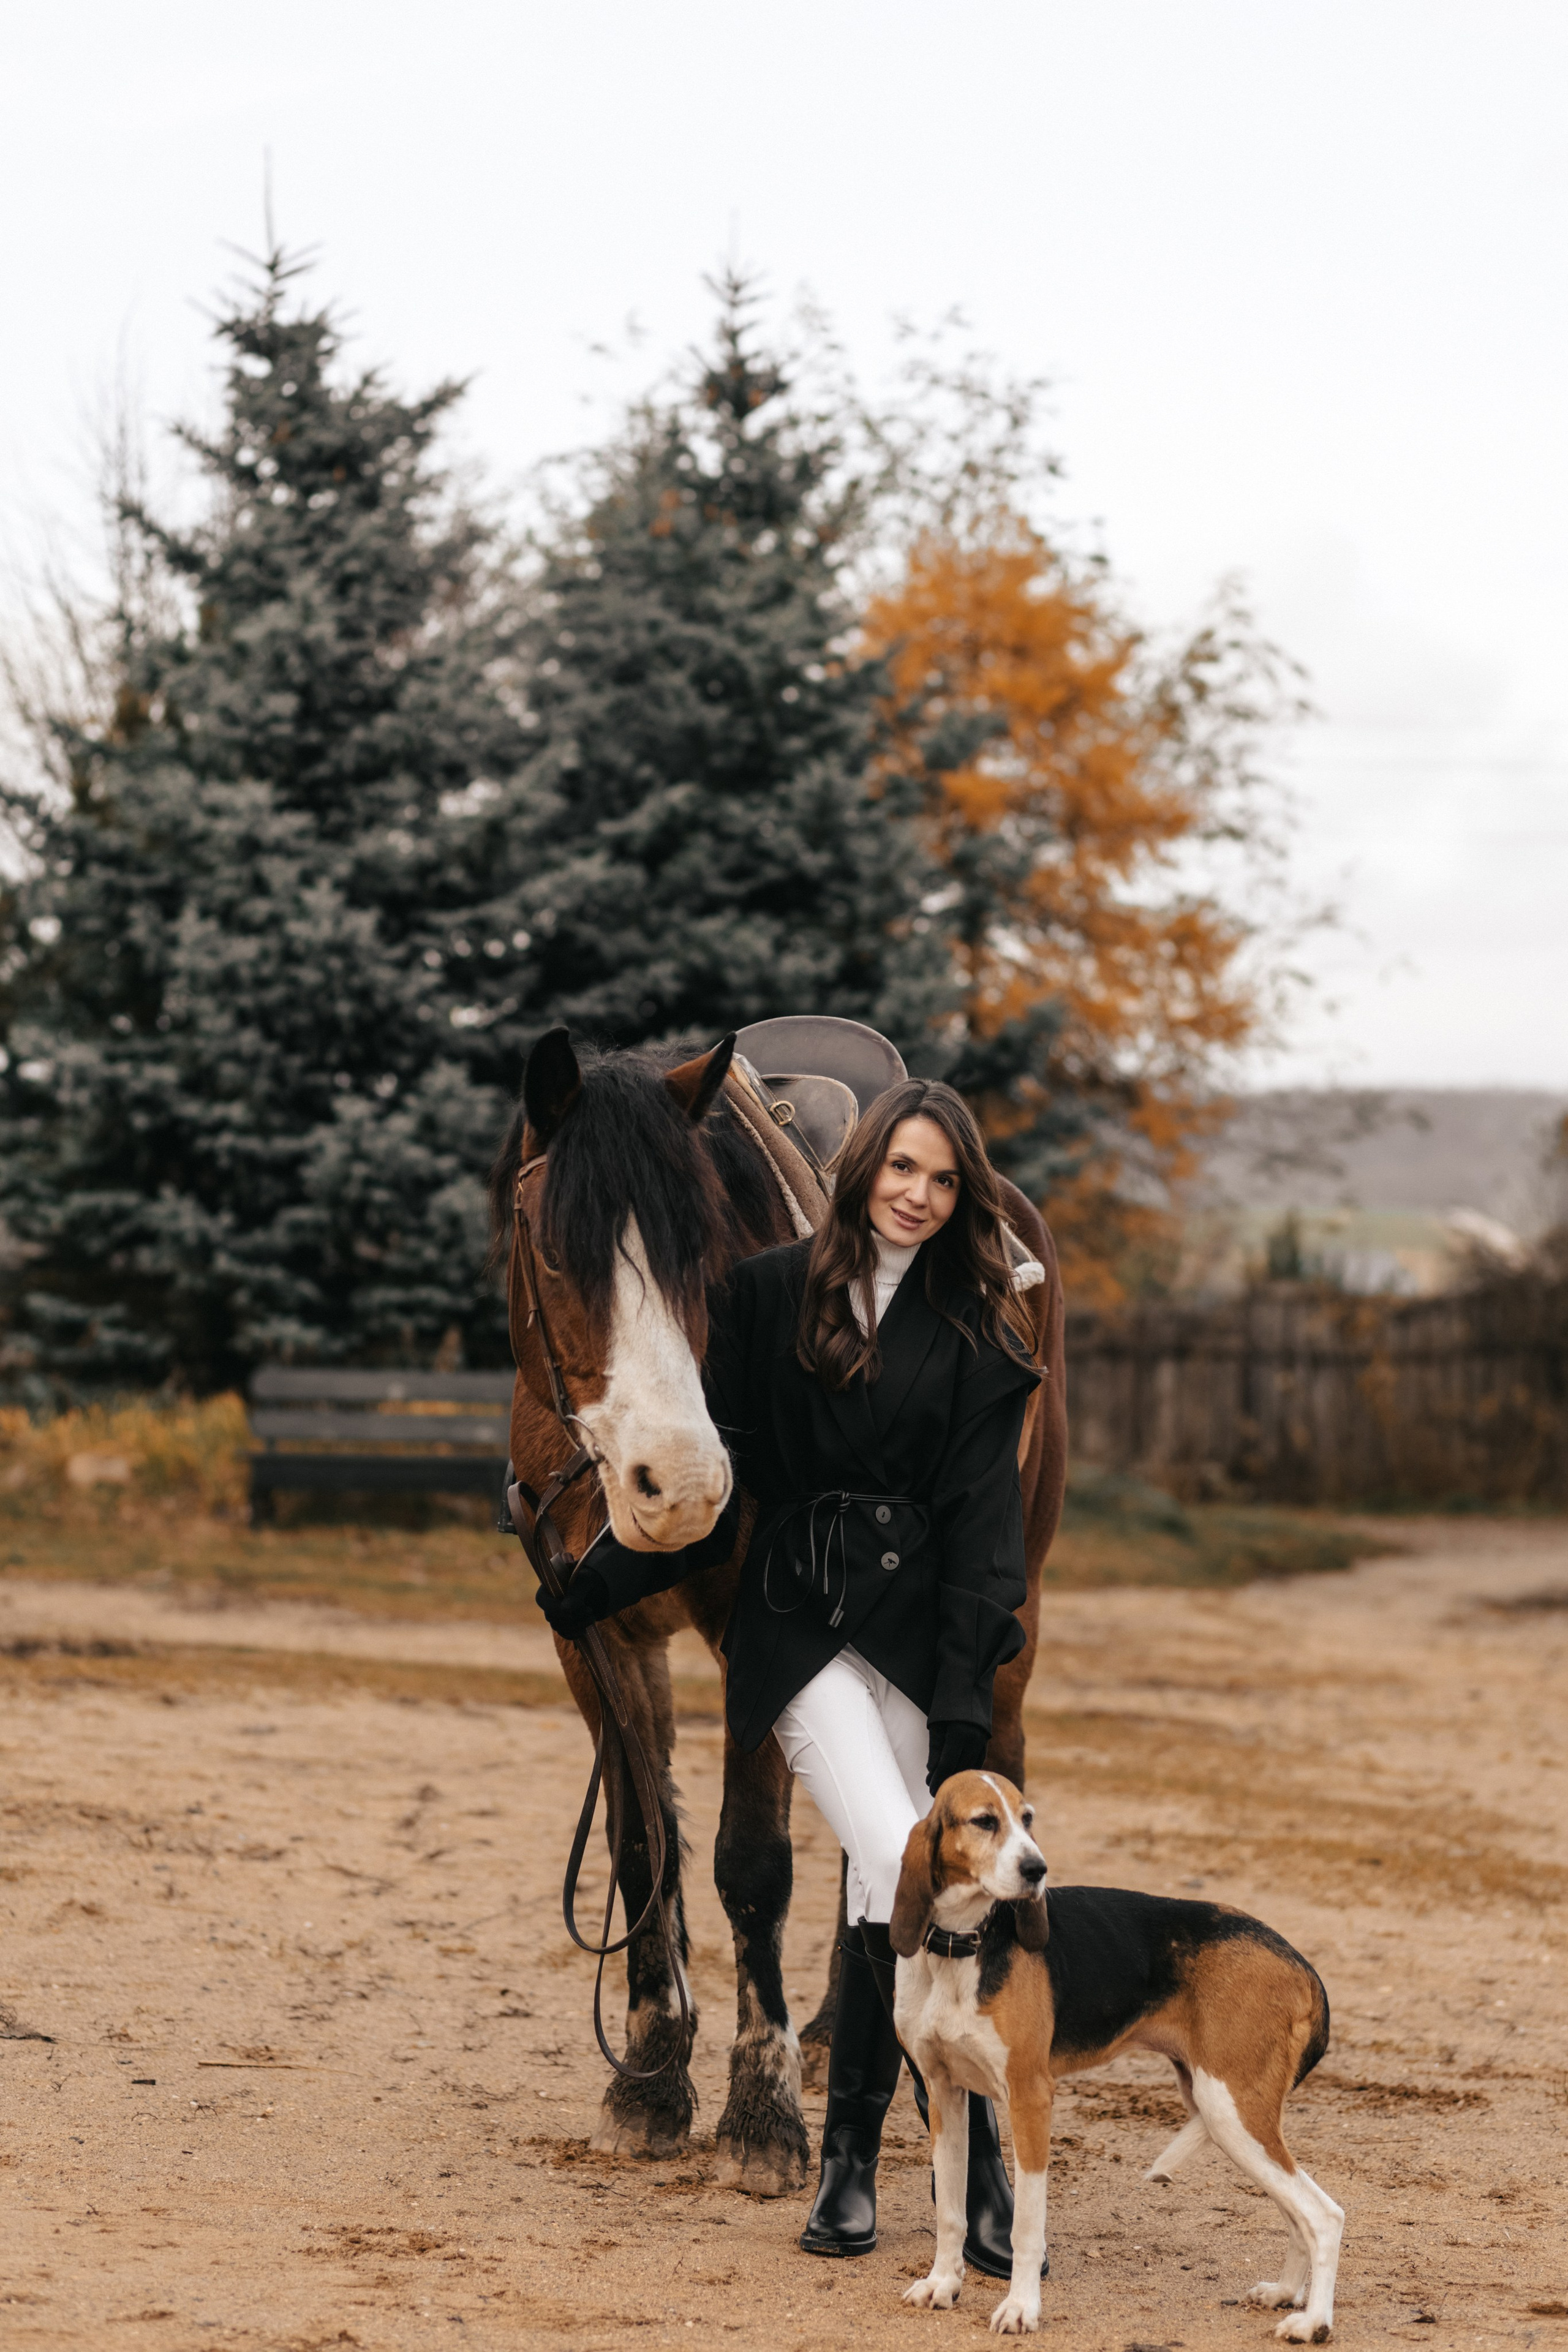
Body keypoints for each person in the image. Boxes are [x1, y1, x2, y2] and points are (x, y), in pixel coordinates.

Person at [540, 1078, 1042, 2274]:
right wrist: (591, 1588)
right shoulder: (762, 1297)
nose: (915, 1196)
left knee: (894, 1892)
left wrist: (965, 1706)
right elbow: (713, 1483)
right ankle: (923, 2169)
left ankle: (862, 2175)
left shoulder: (977, 1333)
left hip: (916, 1644)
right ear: (860, 1168)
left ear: (960, 1195)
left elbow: (983, 1532)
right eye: (898, 1170)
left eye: (940, 1179)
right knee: (901, 1863)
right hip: (800, 1628)